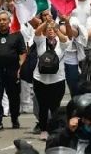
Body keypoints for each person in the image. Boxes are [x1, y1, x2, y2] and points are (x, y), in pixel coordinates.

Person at [33, 12, 70, 141]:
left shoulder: (62, 43)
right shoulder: (40, 41)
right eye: (48, 30)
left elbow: (65, 39)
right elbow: (37, 32)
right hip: (40, 79)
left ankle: (54, 130)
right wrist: (46, 23)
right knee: (43, 106)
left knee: (55, 107)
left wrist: (56, 29)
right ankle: (43, 129)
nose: (50, 32)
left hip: (57, 79)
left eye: (52, 30)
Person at [0, 11, 26, 131]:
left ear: (9, 21)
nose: (2, 22)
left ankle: (15, 118)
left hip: (12, 69)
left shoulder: (16, 34)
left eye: (4, 20)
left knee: (14, 96)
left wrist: (20, 67)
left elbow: (23, 52)